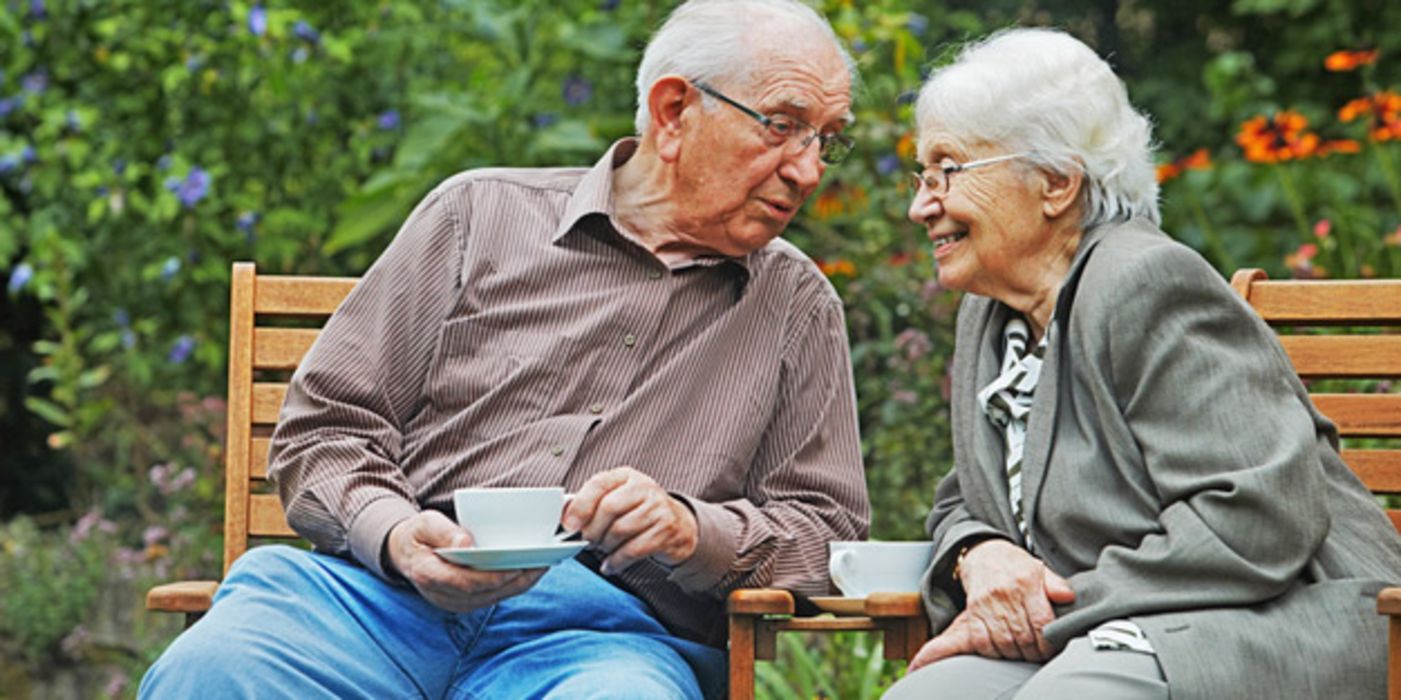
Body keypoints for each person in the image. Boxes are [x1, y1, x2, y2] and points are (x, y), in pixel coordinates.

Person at [139, 2, 868, 698]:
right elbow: (324, 431)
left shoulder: (795, 308)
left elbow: (826, 534)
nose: (806, 171)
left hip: (599, 642)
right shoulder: (476, 216)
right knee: (217, 667)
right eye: (781, 127)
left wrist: (691, 529)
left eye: (824, 141)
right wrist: (395, 534)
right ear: (673, 112)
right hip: (372, 607)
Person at [884, 27, 1401, 700]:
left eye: (946, 172)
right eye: (923, 176)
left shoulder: (1146, 283)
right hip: (1116, 625)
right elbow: (965, 495)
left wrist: (1049, 606)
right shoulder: (991, 312)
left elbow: (1255, 516)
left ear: (1054, 182)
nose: (919, 204)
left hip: (1279, 622)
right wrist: (977, 555)